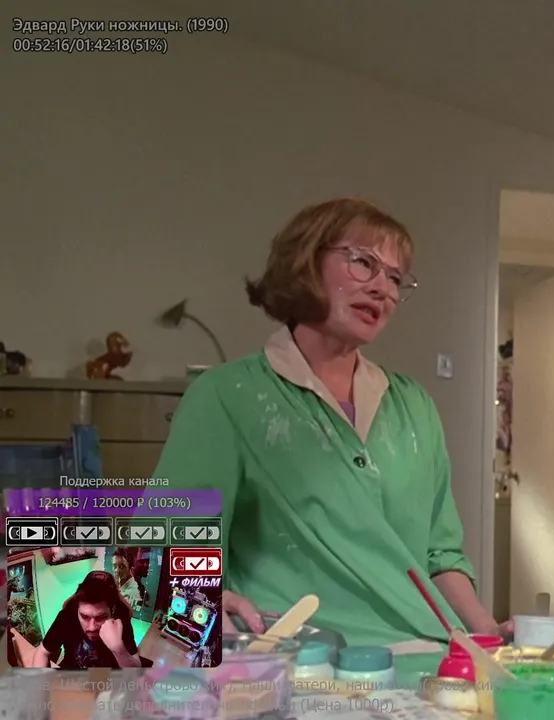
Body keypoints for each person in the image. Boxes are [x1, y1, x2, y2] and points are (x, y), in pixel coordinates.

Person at [154, 197, 511, 647]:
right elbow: (171, 546)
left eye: (395, 278)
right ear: (306, 263)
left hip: (427, 656)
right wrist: (197, 604)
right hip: (298, 661)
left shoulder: (415, 406)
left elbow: (439, 555)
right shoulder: (227, 396)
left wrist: (491, 634)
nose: (384, 289)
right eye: (364, 263)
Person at [33, 570, 139, 669]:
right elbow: (42, 652)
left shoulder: (120, 622)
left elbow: (136, 671)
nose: (91, 628)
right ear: (77, 608)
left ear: (113, 611)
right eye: (84, 616)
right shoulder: (67, 616)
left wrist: (118, 648)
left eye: (101, 617)